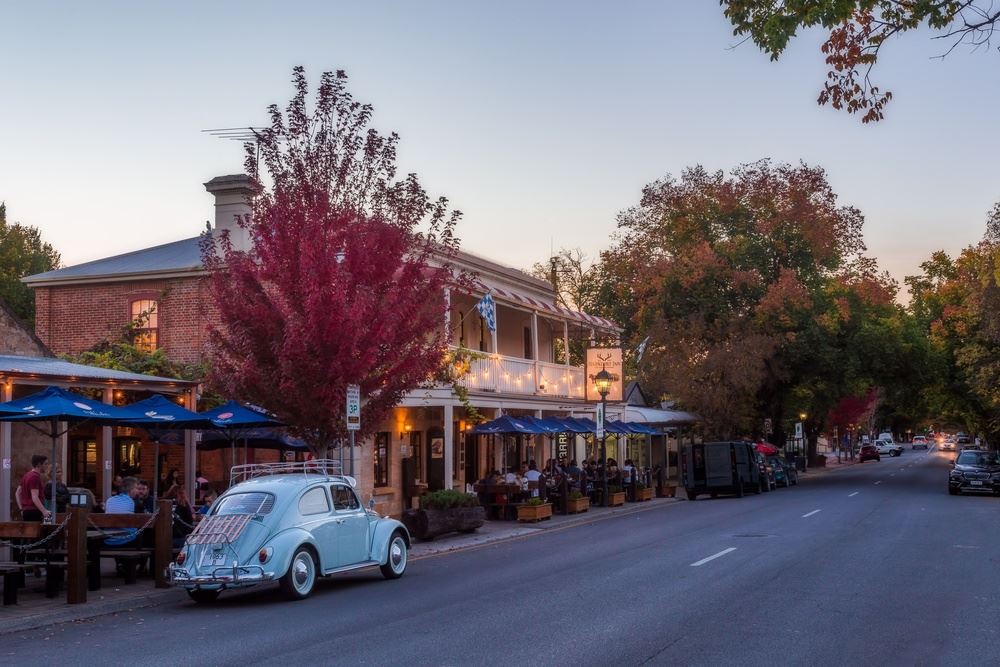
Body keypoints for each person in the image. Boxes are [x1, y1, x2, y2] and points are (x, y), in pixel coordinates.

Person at [17, 454, 52, 522]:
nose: (47, 466)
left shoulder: (26, 475)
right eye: (45, 464)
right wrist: (44, 511)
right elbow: (35, 497)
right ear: (39, 464)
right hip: (34, 511)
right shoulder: (34, 477)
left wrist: (21, 509)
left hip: (26, 511)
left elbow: (17, 493)